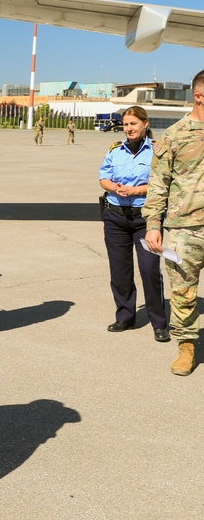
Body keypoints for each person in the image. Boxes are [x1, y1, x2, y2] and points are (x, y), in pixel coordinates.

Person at [144, 68, 204, 376]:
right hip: (184, 228)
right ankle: (186, 346)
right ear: (198, 96)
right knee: (183, 290)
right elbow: (158, 183)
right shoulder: (174, 135)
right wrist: (153, 223)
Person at [98, 106, 168, 343]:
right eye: (125, 124)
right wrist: (113, 187)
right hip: (115, 216)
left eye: (133, 124)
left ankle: (159, 322)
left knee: (149, 270)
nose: (128, 128)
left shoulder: (157, 152)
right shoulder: (115, 150)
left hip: (144, 218)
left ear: (145, 124)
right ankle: (126, 316)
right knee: (119, 271)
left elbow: (163, 183)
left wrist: (137, 190)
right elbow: (103, 177)